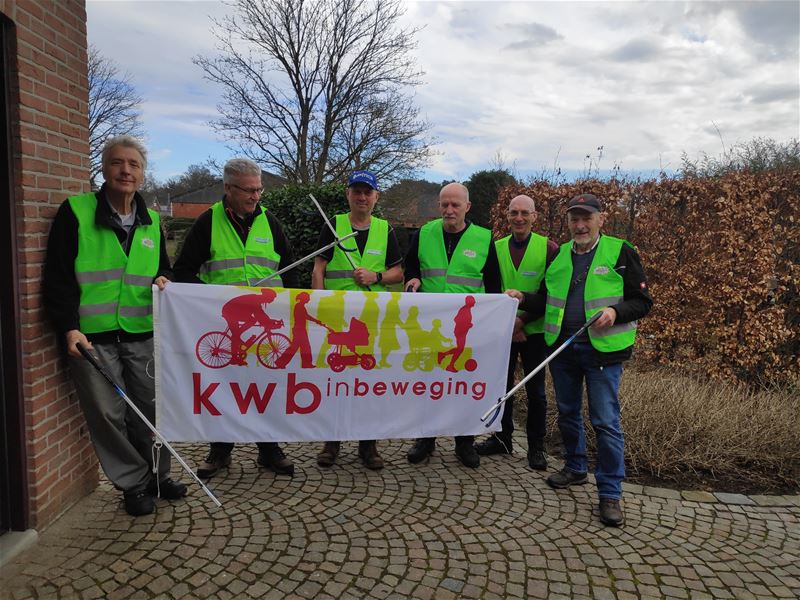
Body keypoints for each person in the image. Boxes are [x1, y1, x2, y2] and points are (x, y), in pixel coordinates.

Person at [43, 135, 187, 517]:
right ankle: (133, 483)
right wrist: (68, 327)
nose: (126, 170)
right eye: (117, 163)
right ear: (103, 169)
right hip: (92, 338)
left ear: (142, 173)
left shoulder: (153, 220)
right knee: (108, 415)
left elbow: (162, 269)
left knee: (152, 411)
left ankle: (159, 476)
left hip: (142, 334)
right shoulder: (75, 213)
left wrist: (163, 279)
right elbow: (57, 278)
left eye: (134, 164)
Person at [508, 193, 653, 527]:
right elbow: (547, 299)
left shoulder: (620, 252)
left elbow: (642, 301)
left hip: (603, 352)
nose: (580, 225)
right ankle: (575, 468)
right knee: (569, 413)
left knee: (605, 421)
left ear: (600, 219)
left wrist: (615, 311)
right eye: (575, 219)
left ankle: (610, 492)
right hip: (563, 349)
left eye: (586, 218)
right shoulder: (559, 258)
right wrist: (523, 297)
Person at [174, 157, 298, 479]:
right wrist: (209, 298)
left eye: (259, 190)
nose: (256, 196)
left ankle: (268, 448)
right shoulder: (207, 223)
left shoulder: (271, 223)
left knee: (265, 386)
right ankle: (220, 448)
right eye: (248, 190)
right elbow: (183, 272)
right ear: (228, 188)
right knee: (223, 386)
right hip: (222, 318)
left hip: (262, 313)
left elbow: (291, 271)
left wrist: (292, 309)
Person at [403, 182, 502, 468]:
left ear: (467, 207)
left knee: (463, 385)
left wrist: (495, 323)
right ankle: (426, 439)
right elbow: (411, 266)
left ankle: (464, 442)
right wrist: (413, 278)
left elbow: (494, 286)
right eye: (445, 204)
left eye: (455, 205)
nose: (449, 210)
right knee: (429, 384)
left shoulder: (484, 239)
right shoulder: (424, 233)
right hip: (431, 327)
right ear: (439, 206)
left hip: (468, 328)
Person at [311, 170, 403, 470]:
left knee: (368, 382)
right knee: (335, 381)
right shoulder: (333, 225)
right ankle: (332, 441)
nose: (362, 197)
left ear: (376, 197)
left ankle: (368, 444)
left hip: (371, 323)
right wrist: (319, 305)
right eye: (357, 191)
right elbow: (318, 270)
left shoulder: (384, 229)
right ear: (348, 194)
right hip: (337, 318)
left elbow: (397, 273)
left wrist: (375, 276)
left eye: (368, 192)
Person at [474, 195, 559, 470]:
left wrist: (520, 321)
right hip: (502, 332)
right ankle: (502, 438)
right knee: (501, 388)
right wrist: (508, 324)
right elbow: (488, 288)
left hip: (532, 330)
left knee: (536, 393)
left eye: (525, 213)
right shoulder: (494, 248)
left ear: (535, 216)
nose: (519, 218)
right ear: (507, 216)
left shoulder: (549, 249)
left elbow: (552, 294)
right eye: (514, 213)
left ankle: (536, 448)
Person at [221, 288, 283, 366]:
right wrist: (271, 322)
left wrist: (271, 322)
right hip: (230, 311)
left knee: (250, 321)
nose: (273, 300)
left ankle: (237, 335)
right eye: (272, 298)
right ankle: (234, 358)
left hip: (233, 310)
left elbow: (261, 315)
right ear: (267, 296)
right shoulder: (255, 300)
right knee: (247, 324)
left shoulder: (257, 300)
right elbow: (260, 316)